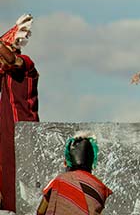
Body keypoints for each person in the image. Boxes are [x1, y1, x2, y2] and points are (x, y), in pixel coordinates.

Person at [0, 14, 39, 212]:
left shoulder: (26, 63)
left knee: (23, 183)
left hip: (24, 132)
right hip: (8, 133)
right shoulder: (5, 71)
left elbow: (11, 60)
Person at [37, 132, 112, 215]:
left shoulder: (58, 181)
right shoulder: (99, 188)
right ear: (91, 163)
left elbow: (40, 211)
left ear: (66, 162)